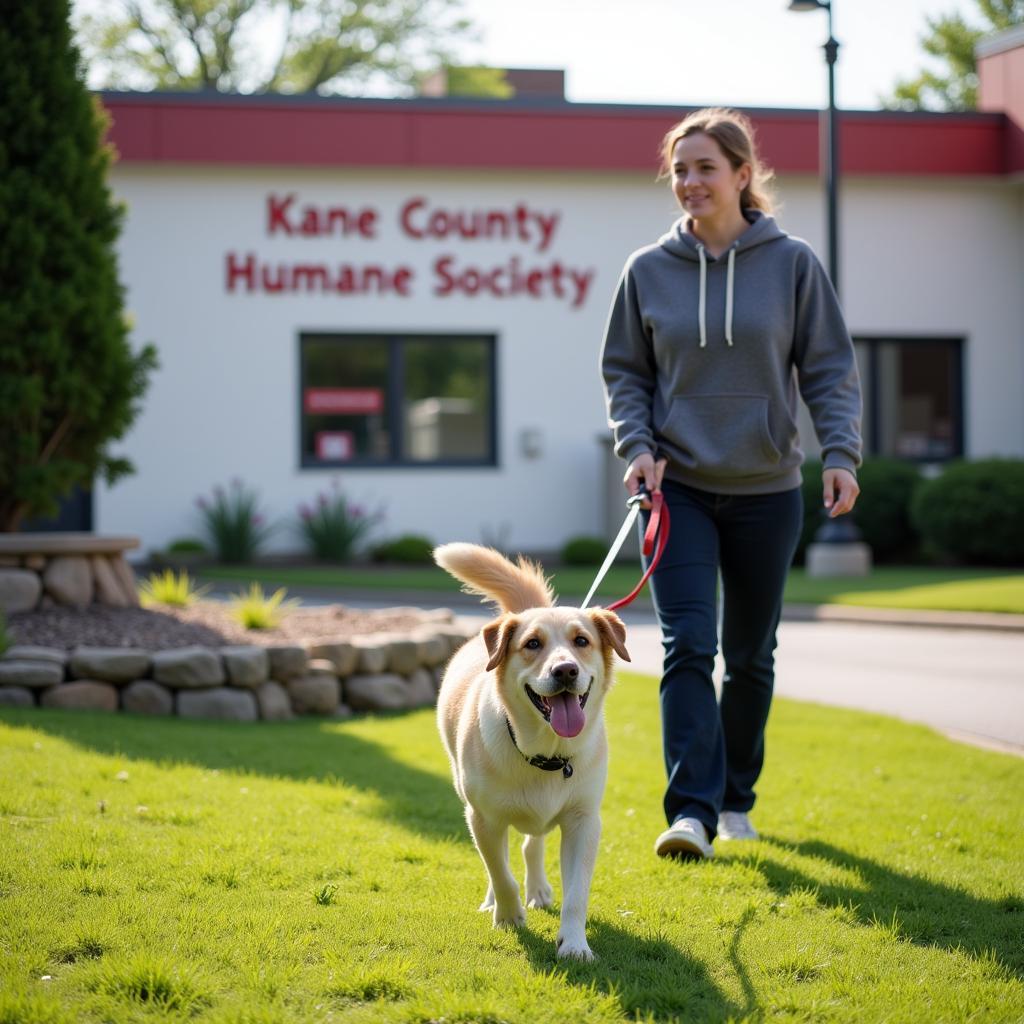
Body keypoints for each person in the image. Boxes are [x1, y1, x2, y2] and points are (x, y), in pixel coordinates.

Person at [600, 107, 862, 861]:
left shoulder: (792, 264)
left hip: (767, 488)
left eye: (705, 168)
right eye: (679, 169)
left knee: (750, 654)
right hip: (676, 486)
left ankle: (735, 794)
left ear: (744, 176)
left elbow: (829, 368)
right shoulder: (647, 270)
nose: (689, 182)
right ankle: (690, 812)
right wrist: (637, 444)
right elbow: (625, 371)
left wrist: (839, 453)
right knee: (688, 645)